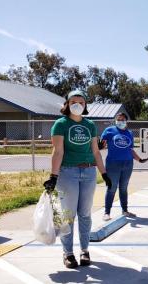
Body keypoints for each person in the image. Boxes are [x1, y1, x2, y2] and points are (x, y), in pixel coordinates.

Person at [43, 90, 112, 269]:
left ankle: (84, 250)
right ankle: (68, 253)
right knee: (68, 215)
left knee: (85, 214)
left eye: (81, 102)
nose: (77, 105)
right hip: (68, 172)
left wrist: (103, 173)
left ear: (85, 106)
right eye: (73, 101)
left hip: (89, 173)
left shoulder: (90, 125)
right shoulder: (60, 124)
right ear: (66, 104)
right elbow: (58, 151)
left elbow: (96, 152)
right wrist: (53, 176)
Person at [99, 112, 148, 221]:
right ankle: (107, 212)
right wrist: (100, 145)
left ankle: (125, 210)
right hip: (113, 164)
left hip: (127, 164)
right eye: (118, 119)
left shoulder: (129, 133)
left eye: (122, 120)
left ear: (126, 121)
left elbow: (130, 150)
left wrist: (139, 159)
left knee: (123, 188)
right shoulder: (109, 130)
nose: (120, 121)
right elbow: (101, 144)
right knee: (112, 188)